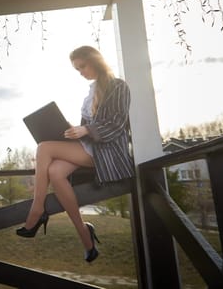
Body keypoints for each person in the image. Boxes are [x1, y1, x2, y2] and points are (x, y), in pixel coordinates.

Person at [16, 45, 135, 263]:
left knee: (44, 147)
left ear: (95, 61)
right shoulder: (91, 92)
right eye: (77, 69)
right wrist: (73, 130)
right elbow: (87, 127)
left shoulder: (119, 86)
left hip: (107, 152)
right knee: (55, 171)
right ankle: (86, 238)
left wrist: (86, 129)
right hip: (89, 147)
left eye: (82, 66)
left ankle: (37, 209)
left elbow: (117, 123)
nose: (80, 72)